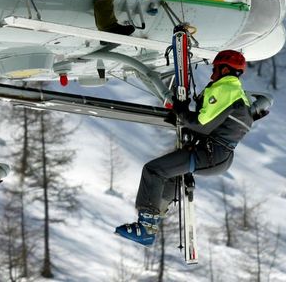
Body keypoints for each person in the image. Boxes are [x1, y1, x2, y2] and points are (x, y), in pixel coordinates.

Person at [114, 50, 272, 246]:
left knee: (154, 170)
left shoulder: (225, 91)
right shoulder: (237, 93)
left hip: (209, 155)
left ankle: (146, 228)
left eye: (215, 69)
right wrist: (184, 117)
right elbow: (219, 123)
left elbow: (200, 124)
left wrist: (181, 111)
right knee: (169, 174)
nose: (212, 73)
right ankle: (152, 220)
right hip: (215, 154)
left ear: (224, 69)